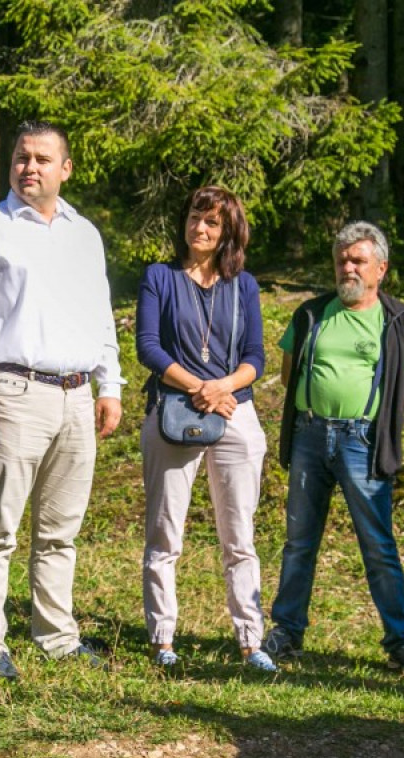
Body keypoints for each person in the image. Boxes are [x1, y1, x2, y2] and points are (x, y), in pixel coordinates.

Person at [0, 120, 124, 680]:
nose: (30, 167)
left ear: (65, 169)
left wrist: (110, 383)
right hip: (13, 390)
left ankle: (57, 636)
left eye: (43, 159)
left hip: (75, 395)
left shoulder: (84, 234)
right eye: (22, 157)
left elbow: (101, 315)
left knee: (60, 529)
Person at [262, 221, 404, 677]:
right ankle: (286, 633)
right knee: (299, 543)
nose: (348, 268)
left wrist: (375, 423)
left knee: (378, 545)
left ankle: (402, 643)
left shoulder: (400, 321)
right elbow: (289, 375)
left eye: (358, 260)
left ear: (380, 268)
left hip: (362, 442)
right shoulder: (310, 314)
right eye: (342, 259)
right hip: (308, 437)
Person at [135, 186, 277, 673]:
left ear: (226, 233)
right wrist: (200, 387)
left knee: (239, 536)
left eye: (212, 223)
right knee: (164, 534)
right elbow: (149, 348)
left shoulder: (245, 286)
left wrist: (223, 389)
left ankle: (250, 640)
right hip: (174, 406)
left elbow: (255, 357)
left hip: (235, 411)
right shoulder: (159, 277)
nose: (200, 228)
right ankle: (162, 638)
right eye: (196, 217)